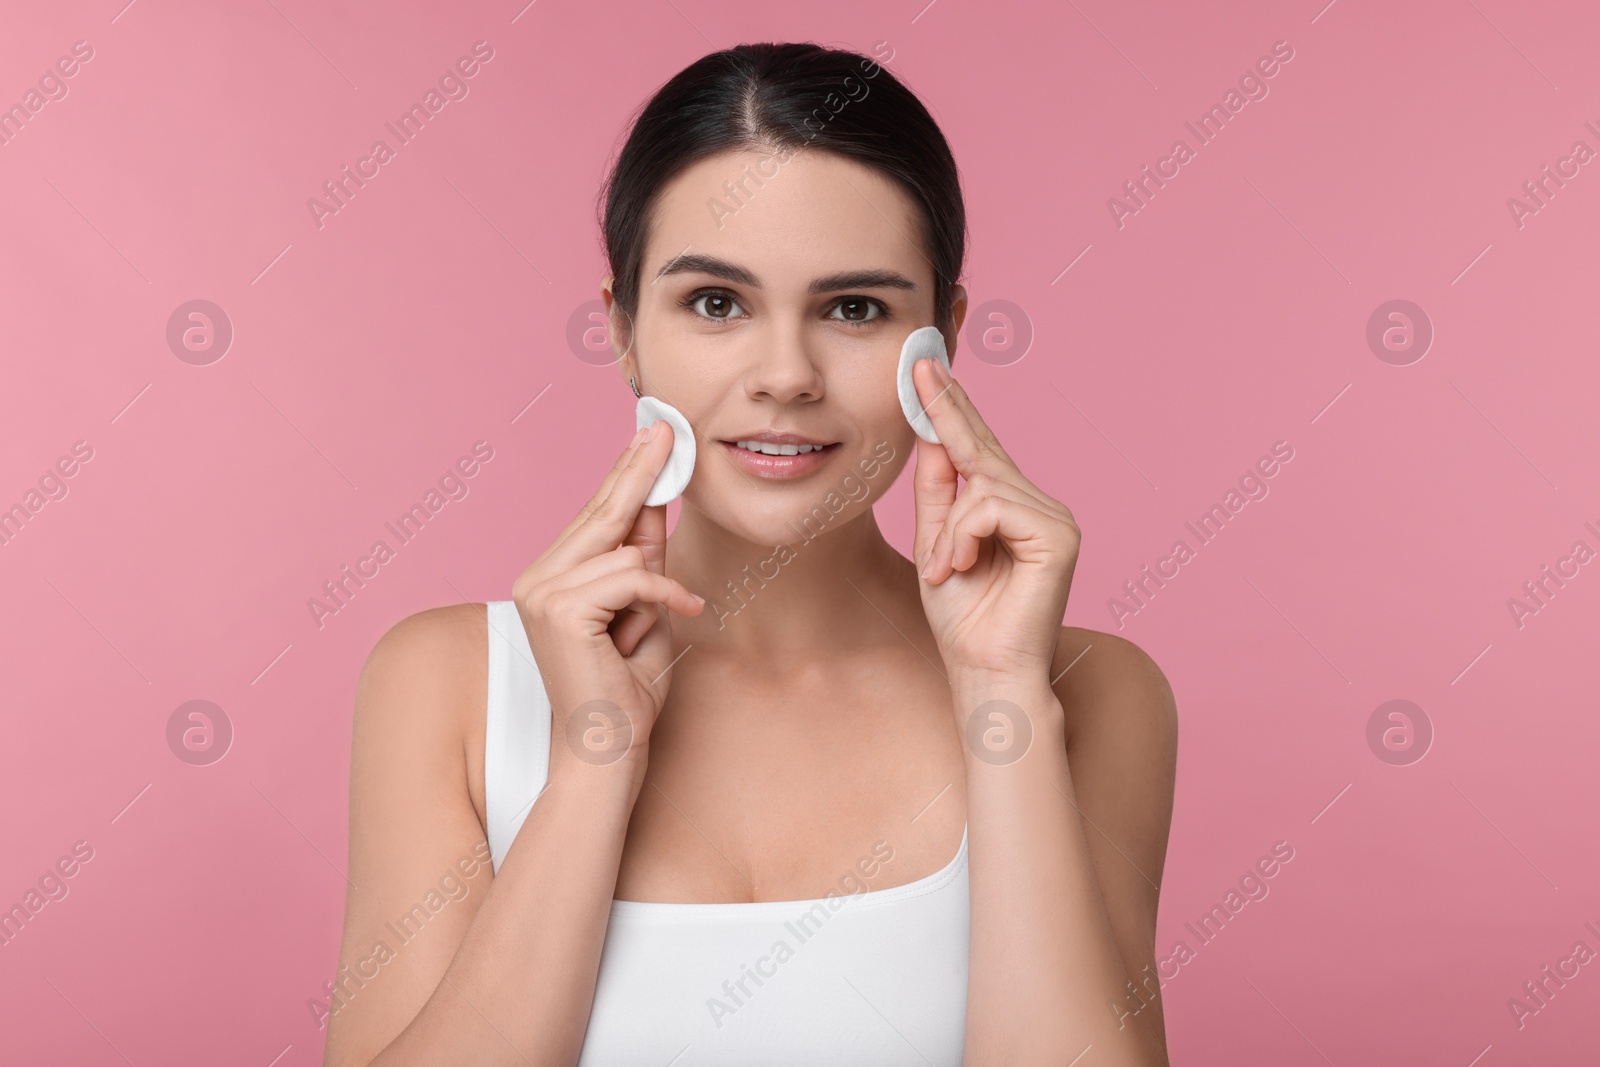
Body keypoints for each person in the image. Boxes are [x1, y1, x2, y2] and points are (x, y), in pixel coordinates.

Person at [323, 41, 1176, 1067]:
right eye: (716, 303)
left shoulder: (1091, 694)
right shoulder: (449, 683)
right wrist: (596, 761)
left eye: (853, 308)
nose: (784, 375)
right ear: (624, 327)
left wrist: (1002, 698)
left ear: (942, 336)